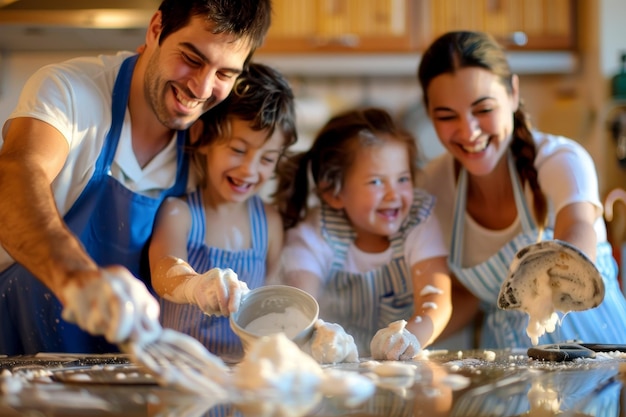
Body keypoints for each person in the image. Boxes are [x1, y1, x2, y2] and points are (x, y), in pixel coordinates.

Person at [0, 0, 272, 356]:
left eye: (224, 74)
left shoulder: (206, 144)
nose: (202, 89)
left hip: (120, 370)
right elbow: (16, 177)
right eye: (192, 58)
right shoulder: (70, 92)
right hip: (15, 352)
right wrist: (76, 278)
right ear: (156, 28)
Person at [416, 30, 626, 349]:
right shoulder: (432, 184)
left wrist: (556, 278)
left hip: (597, 360)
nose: (468, 131)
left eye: (483, 110)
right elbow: (462, 295)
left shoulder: (561, 160)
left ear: (513, 93)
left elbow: (578, 228)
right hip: (510, 370)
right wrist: (412, 338)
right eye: (446, 116)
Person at [274, 107, 452, 359]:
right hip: (335, 371)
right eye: (376, 182)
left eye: (402, 179)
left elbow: (436, 300)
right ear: (334, 193)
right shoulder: (314, 233)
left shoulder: (418, 221)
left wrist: (409, 339)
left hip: (403, 368)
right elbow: (303, 307)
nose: (394, 195)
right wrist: (326, 343)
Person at [148, 62, 297, 360]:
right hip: (183, 376)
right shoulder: (180, 213)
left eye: (267, 159)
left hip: (245, 379)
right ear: (201, 136)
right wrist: (196, 286)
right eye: (238, 150)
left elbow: (270, 298)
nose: (249, 170)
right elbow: (163, 272)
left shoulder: (269, 221)